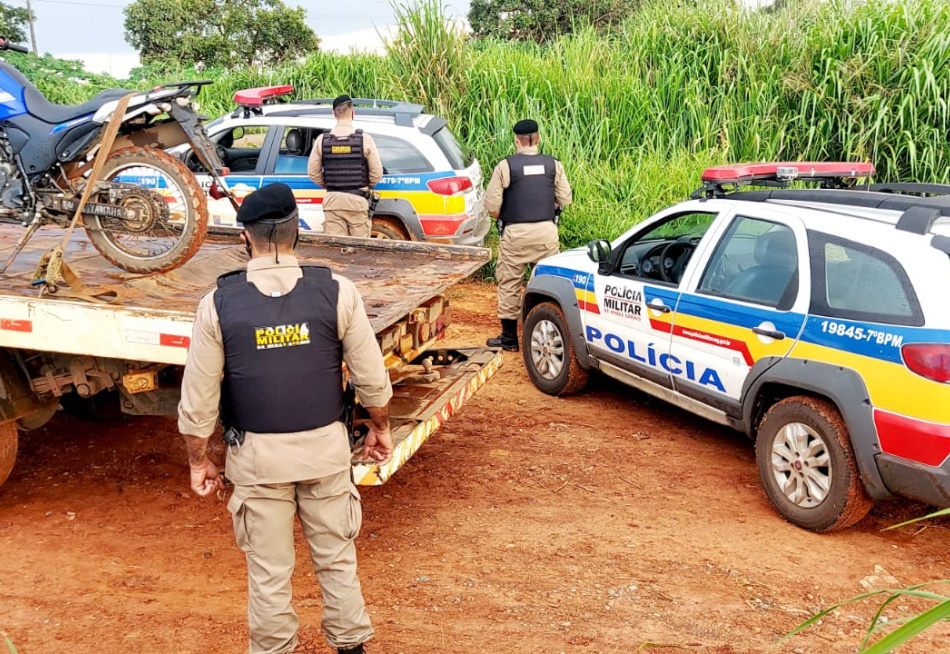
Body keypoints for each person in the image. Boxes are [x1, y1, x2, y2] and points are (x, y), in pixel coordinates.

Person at [177, 183, 394, 654]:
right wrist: (380, 427)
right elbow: (371, 379)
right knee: (337, 561)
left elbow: (198, 400)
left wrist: (198, 459)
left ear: (245, 238)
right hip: (325, 453)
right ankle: (351, 647)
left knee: (269, 573)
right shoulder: (337, 291)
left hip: (258, 462)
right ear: (298, 232)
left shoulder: (218, 304)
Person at [483, 119, 573, 352]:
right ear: (538, 138)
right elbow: (565, 198)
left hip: (515, 234)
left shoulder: (506, 166)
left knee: (509, 283)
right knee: (548, 281)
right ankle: (549, 330)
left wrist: (507, 214)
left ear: (516, 140)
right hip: (547, 233)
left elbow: (492, 206)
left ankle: (509, 338)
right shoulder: (553, 165)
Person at [308, 95, 384, 238]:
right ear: (353, 113)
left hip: (332, 202)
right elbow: (377, 173)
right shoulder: (365, 139)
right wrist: (364, 186)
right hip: (358, 201)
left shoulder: (322, 140)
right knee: (359, 246)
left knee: (338, 245)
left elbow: (313, 172)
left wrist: (331, 184)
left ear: (334, 113)